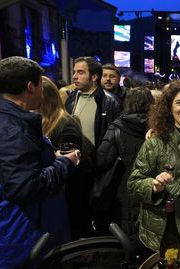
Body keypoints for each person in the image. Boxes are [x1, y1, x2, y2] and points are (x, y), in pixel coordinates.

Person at [0, 56, 80, 268]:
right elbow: (25, 187)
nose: (43, 92)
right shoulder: (11, 129)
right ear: (30, 87)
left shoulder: (2, 119)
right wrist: (65, 163)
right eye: (40, 85)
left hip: (13, 233)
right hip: (16, 239)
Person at [127, 79, 180, 251]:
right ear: (169, 107)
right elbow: (133, 183)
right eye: (179, 102)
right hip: (162, 227)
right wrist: (153, 186)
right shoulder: (156, 141)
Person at [65, 56, 121, 238]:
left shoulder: (111, 102)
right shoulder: (71, 98)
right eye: (74, 72)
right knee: (77, 209)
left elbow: (114, 139)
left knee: (98, 211)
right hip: (74, 167)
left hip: (99, 169)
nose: (74, 76)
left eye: (80, 72)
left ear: (94, 77)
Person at [96, 87, 154, 258]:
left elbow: (102, 160)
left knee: (126, 234)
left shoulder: (117, 127)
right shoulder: (158, 127)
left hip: (122, 188)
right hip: (151, 186)